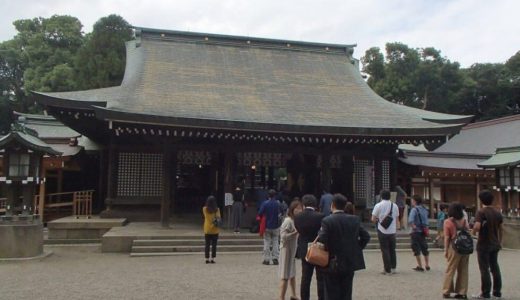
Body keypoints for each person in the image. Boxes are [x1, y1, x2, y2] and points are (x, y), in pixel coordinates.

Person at [317, 194, 370, 300]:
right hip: (349, 260)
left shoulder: (327, 221)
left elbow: (322, 239)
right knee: (346, 292)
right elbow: (366, 236)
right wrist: (357, 248)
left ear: (332, 205)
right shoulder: (354, 220)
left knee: (331, 293)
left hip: (332, 260)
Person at [471, 190, 503, 299]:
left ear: (481, 200)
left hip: (484, 243)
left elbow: (477, 226)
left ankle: (485, 292)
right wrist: (500, 241)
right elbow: (501, 229)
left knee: (484, 268)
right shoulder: (497, 212)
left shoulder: (481, 212)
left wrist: (472, 232)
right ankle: (497, 292)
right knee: (495, 267)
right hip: (495, 243)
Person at [294, 194, 325, 300]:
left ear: (303, 204)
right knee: (320, 278)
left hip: (304, 249)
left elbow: (298, 230)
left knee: (305, 278)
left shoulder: (298, 217)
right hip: (317, 248)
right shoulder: (320, 216)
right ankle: (321, 297)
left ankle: (304, 298)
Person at [442, 202, 471, 299]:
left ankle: (447, 290)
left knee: (450, 269)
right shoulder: (464, 220)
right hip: (465, 247)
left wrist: (445, 250)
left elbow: (446, 237)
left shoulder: (448, 222)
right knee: (463, 270)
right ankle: (462, 291)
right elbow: (467, 230)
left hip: (454, 247)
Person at [279, 200, 303, 300]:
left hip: (292, 249)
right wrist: (295, 233)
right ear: (292, 209)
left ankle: (293, 294)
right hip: (286, 250)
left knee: (292, 274)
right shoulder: (288, 221)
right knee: (285, 275)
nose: (299, 210)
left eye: (300, 208)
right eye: (297, 208)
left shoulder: (296, 221)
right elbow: (283, 236)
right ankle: (281, 297)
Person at [371, 189, 400, 275]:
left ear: (381, 196)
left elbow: (373, 219)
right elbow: (397, 219)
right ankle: (393, 267)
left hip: (382, 230)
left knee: (385, 250)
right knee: (392, 250)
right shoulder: (394, 206)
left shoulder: (378, 205)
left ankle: (387, 269)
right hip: (392, 231)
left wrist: (378, 220)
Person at [258, 189, 283, 265]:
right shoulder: (278, 204)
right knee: (276, 242)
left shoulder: (265, 203)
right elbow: (281, 212)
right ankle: (275, 258)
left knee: (267, 242)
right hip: (276, 225)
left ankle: (266, 259)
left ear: (268, 195)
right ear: (275, 195)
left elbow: (260, 213)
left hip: (267, 225)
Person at [408, 195, 430, 271]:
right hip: (423, 231)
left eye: (412, 200)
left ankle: (420, 265)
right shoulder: (425, 209)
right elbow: (427, 221)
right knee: (424, 247)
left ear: (415, 201)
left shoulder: (414, 210)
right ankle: (427, 264)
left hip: (416, 231)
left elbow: (410, 220)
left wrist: (413, 226)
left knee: (416, 248)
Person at [202, 195, 221, 264]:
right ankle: (212, 259)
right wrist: (213, 224)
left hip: (207, 229)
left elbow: (206, 217)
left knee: (207, 244)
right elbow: (218, 218)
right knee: (214, 245)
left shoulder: (204, 209)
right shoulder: (217, 209)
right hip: (215, 230)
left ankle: (207, 258)